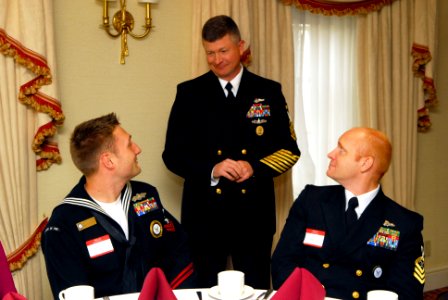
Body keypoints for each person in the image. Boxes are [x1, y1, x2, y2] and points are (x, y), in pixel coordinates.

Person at [162, 15, 300, 289]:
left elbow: (289, 150)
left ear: (241, 46)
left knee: (255, 289)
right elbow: (173, 154)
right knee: (203, 290)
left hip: (253, 217)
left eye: (223, 50)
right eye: (210, 53)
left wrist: (254, 168)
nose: (216, 59)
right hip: (204, 216)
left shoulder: (268, 91)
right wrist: (212, 169)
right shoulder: (189, 93)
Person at [42, 113, 195, 299]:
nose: (138, 149)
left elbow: (179, 250)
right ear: (108, 161)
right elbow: (73, 293)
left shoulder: (146, 196)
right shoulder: (63, 226)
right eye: (129, 144)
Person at [271, 127, 425, 299]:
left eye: (341, 150)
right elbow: (282, 263)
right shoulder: (311, 201)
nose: (331, 154)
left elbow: (407, 292)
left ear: (365, 163)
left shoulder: (403, 223)